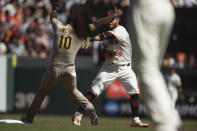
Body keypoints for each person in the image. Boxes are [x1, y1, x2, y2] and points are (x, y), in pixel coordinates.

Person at [21, 6, 122, 125]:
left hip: (55, 68)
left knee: (42, 92)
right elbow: (99, 22)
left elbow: (53, 17)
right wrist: (113, 16)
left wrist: (55, 10)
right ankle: (90, 109)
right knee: (74, 91)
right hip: (70, 69)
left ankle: (29, 118)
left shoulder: (59, 27)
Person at [72, 13, 149, 127]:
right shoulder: (108, 38)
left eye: (112, 19)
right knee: (94, 91)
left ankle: (135, 120)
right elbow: (105, 53)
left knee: (135, 92)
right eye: (108, 20)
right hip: (109, 67)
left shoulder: (121, 30)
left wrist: (91, 38)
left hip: (125, 68)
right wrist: (111, 53)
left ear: (117, 20)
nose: (110, 22)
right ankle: (78, 114)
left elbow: (106, 35)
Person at [130, 0, 182, 131]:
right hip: (166, 8)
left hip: (148, 8)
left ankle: (167, 123)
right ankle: (170, 116)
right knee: (152, 69)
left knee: (147, 68)